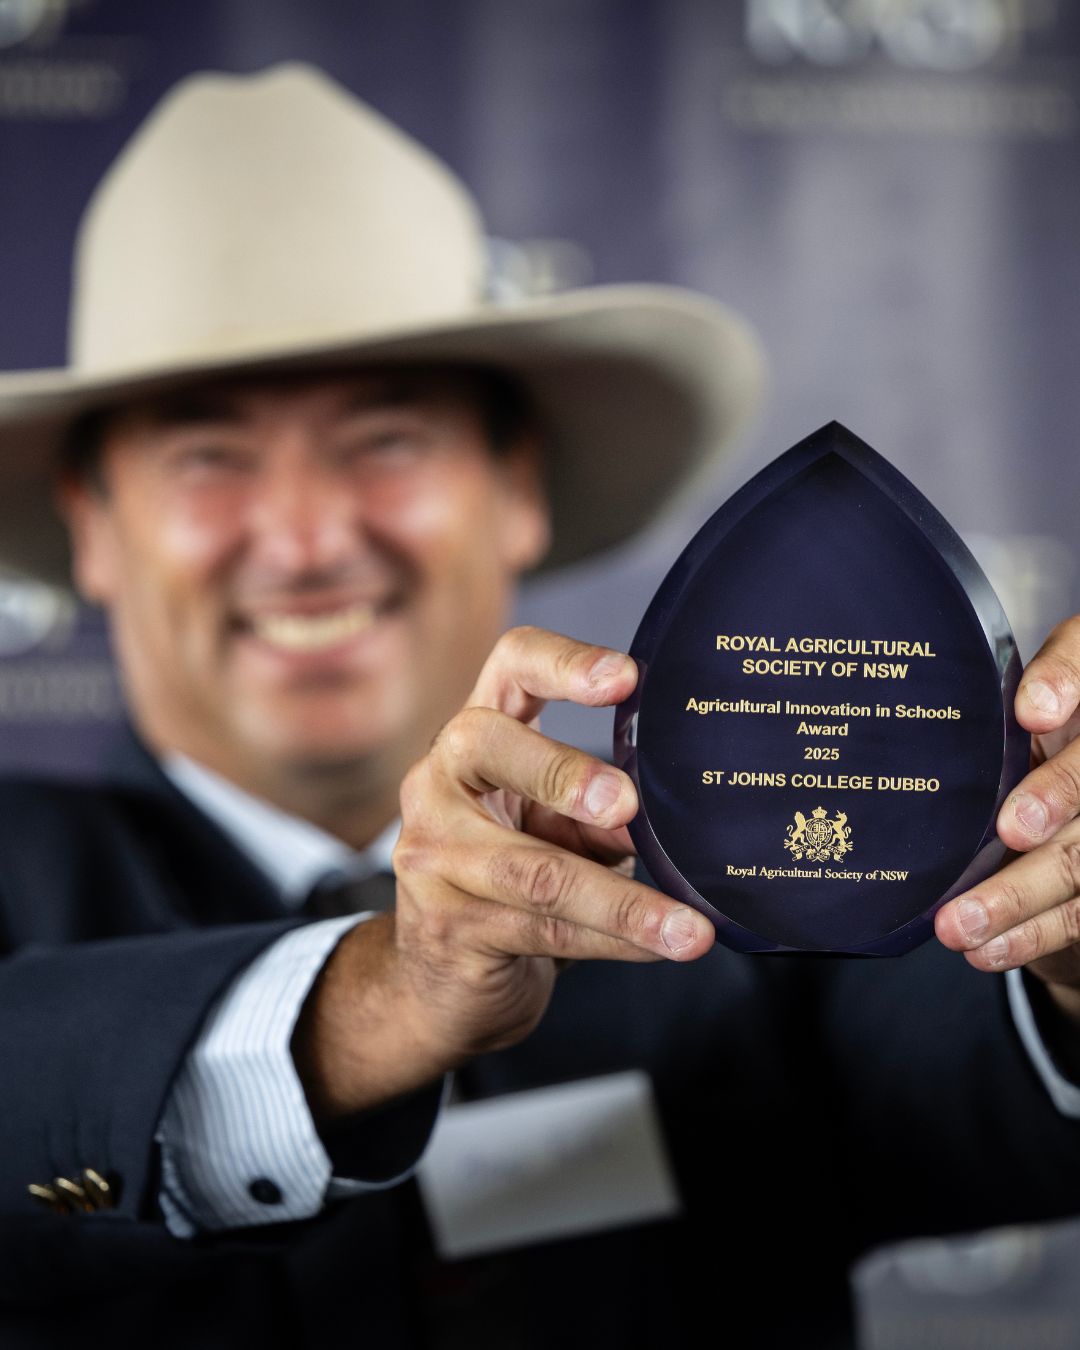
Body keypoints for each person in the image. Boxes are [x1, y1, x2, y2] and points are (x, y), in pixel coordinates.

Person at [0, 63, 1079, 1350]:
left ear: (518, 489)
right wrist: (380, 994)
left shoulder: (738, 893)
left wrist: (1064, 949)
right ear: (95, 529)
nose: (301, 540)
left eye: (386, 440)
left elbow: (1003, 1087)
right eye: (207, 457)